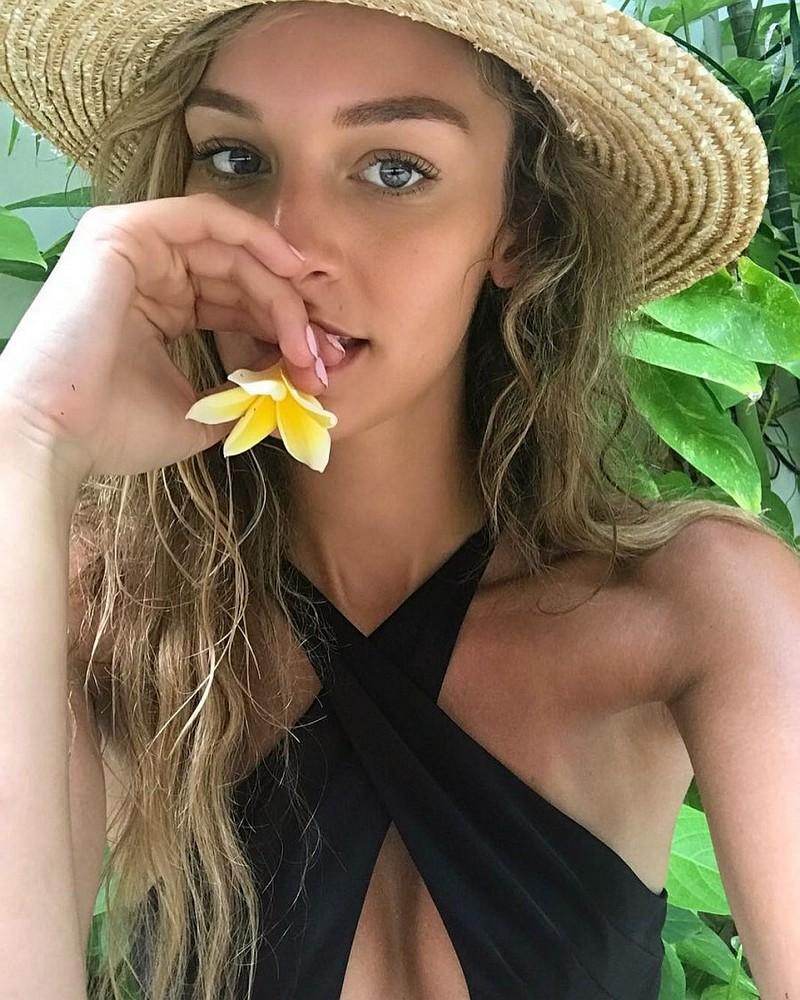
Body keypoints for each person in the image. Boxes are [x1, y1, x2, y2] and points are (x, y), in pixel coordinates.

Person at [0, 1, 797, 999]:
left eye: (393, 170)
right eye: (237, 159)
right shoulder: (100, 608)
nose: (287, 244)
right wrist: (26, 441)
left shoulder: (698, 605)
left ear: (519, 225)